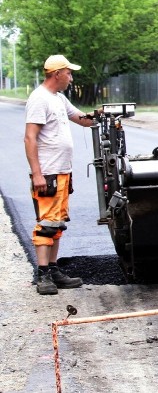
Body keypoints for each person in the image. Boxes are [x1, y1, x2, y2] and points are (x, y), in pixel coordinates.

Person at [25, 55, 99, 295]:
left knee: (57, 224)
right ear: (57, 74)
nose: (71, 77)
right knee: (46, 224)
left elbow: (82, 120)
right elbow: (30, 137)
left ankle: (54, 270)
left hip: (63, 172)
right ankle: (43, 275)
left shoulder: (58, 98)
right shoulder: (39, 99)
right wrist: (37, 174)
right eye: (68, 73)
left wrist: (101, 114)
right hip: (47, 173)